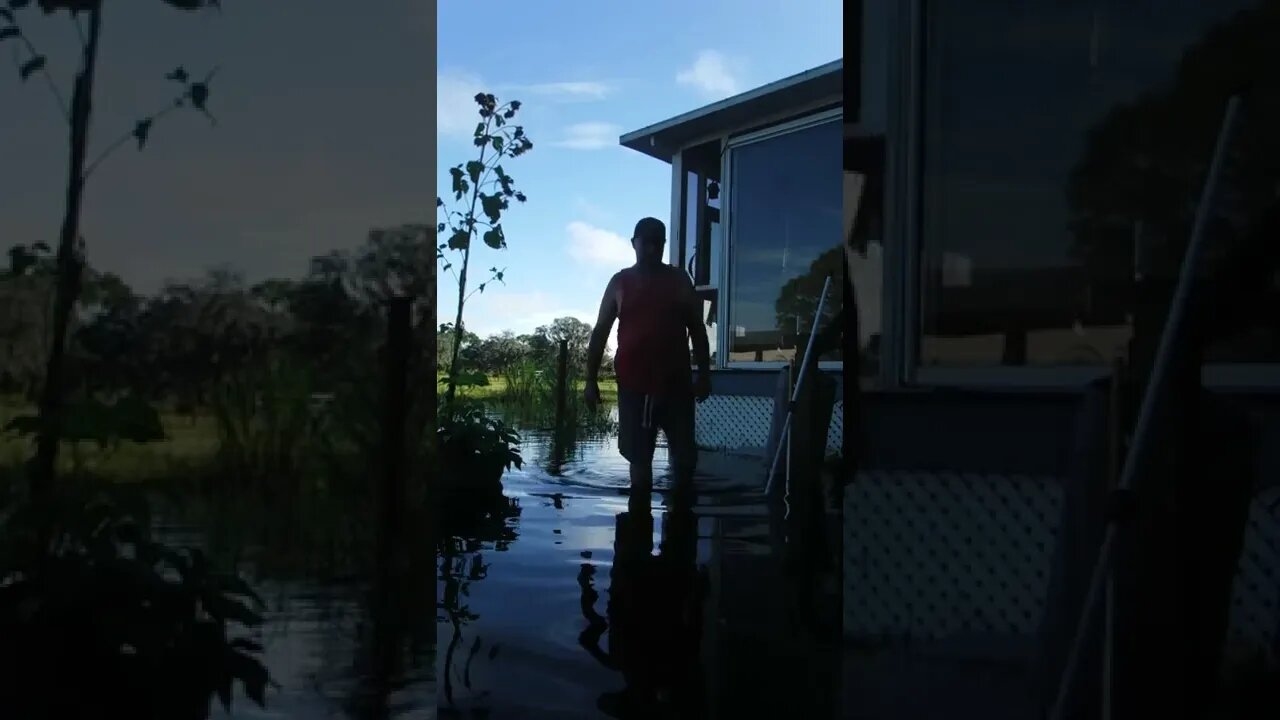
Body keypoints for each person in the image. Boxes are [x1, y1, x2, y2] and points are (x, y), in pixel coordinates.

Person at [584, 217, 712, 490]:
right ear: (634, 244)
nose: (652, 249)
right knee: (640, 464)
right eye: (647, 243)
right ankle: (637, 512)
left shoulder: (679, 279)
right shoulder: (619, 282)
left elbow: (698, 329)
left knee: (685, 461)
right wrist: (590, 380)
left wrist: (704, 374)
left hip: (677, 386)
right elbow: (600, 331)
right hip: (634, 387)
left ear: (663, 245)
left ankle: (682, 511)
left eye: (658, 243)